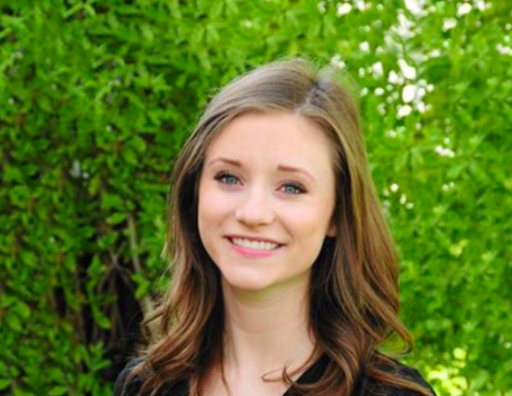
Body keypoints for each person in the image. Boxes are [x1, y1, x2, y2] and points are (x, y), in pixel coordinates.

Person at [114, 58, 436, 396]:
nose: (253, 213)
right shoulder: (145, 386)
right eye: (229, 177)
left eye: (291, 187)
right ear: (194, 193)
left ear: (337, 215)